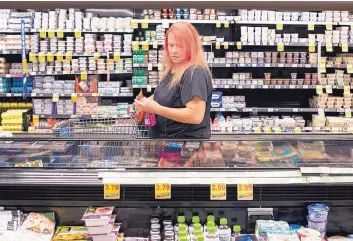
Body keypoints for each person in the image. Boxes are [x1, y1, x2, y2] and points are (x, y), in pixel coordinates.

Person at [134, 21, 212, 138]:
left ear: (191, 46)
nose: (174, 51)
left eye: (180, 46)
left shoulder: (194, 73)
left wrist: (156, 109)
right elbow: (168, 95)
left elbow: (195, 115)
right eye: (171, 45)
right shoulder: (174, 68)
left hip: (184, 148)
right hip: (167, 144)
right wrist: (145, 103)